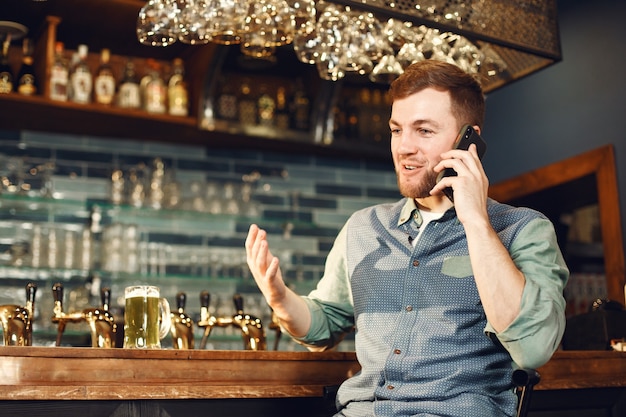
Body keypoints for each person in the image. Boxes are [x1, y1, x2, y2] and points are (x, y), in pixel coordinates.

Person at [245, 59, 569, 417]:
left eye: (424, 131)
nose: (404, 147)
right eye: (397, 130)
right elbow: (323, 325)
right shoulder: (362, 228)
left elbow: (535, 348)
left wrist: (476, 222)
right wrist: (279, 298)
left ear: (469, 140)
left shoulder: (523, 230)